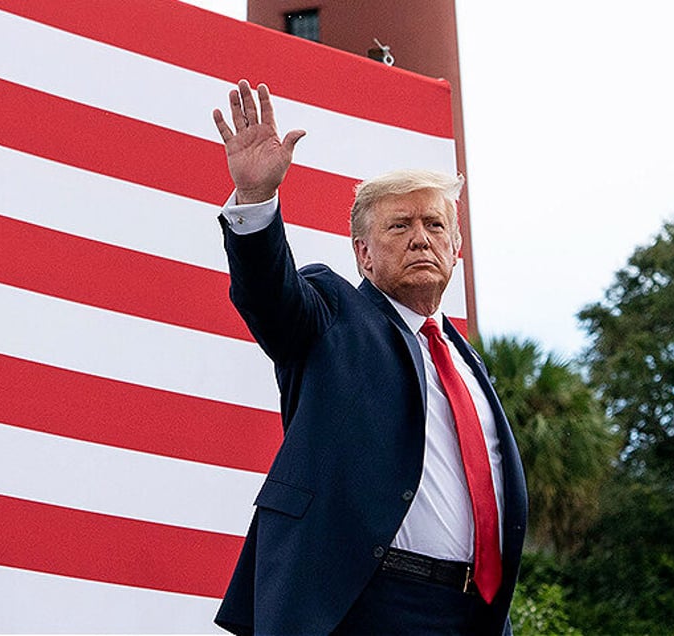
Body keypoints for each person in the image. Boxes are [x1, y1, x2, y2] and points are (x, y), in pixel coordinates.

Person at [211, 80, 528, 636]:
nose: (420, 239)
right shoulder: (332, 312)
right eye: (399, 226)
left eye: (434, 225)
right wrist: (258, 200)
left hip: (469, 615)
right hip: (359, 605)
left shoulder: (467, 364)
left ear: (456, 249)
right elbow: (270, 296)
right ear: (363, 252)